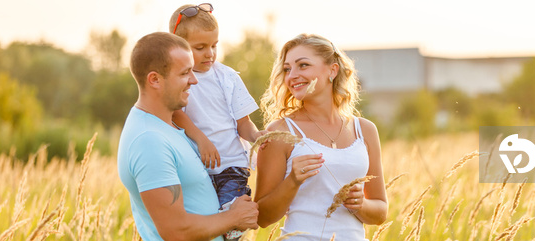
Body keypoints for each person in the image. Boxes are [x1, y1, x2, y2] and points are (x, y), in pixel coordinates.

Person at [117, 32, 258, 241]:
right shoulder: (149, 140)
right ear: (154, 79)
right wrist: (233, 217)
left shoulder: (167, 127)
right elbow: (175, 231)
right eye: (184, 73)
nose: (194, 80)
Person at [255, 33, 388, 240]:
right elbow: (262, 218)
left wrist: (361, 204)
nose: (292, 76)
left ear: (332, 70)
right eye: (287, 69)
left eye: (303, 65)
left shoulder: (365, 130)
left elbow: (380, 211)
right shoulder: (280, 132)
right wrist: (292, 181)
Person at [168, 6, 266, 230]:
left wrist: (256, 136)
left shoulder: (228, 77)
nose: (209, 53)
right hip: (196, 166)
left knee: (231, 220)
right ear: (177, 46)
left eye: (214, 46)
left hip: (232, 164)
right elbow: (175, 114)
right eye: (200, 47)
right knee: (206, 220)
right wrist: (201, 140)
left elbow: (244, 123)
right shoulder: (177, 79)